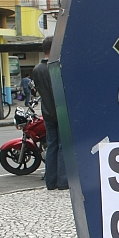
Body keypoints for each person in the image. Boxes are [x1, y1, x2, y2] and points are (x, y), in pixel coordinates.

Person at [31, 36, 67, 190]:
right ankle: (62, 181)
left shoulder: (37, 69)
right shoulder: (57, 66)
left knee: (51, 145)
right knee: (62, 146)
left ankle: (50, 181)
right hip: (61, 112)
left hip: (46, 113)